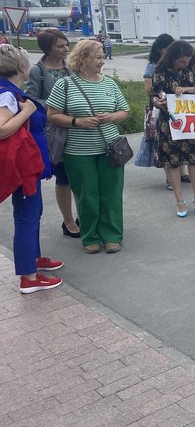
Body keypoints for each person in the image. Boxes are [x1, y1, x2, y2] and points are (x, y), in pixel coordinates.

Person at [46, 39, 129, 254]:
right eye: (98, 57)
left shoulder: (110, 83)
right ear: (83, 58)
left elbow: (124, 111)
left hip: (110, 148)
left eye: (102, 57)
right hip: (77, 152)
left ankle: (112, 235)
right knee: (86, 195)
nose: (102, 61)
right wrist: (77, 121)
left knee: (111, 194)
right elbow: (52, 115)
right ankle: (90, 236)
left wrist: (111, 116)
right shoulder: (64, 84)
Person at [0, 45, 64, 293]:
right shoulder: (7, 94)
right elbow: (2, 129)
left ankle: (33, 259)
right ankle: (29, 277)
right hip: (21, 166)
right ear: (21, 67)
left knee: (32, 213)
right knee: (27, 217)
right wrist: (27, 111)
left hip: (27, 164)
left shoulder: (11, 91)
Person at [25, 28, 79, 238]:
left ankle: (83, 215)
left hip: (76, 127)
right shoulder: (37, 71)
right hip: (55, 131)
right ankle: (67, 220)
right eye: (60, 46)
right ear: (48, 49)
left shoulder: (70, 67)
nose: (66, 49)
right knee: (64, 177)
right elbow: (31, 100)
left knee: (79, 175)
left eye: (66, 44)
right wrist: (57, 105)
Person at [151, 40, 195, 217]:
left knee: (194, 159)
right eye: (181, 61)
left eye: (187, 60)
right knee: (173, 161)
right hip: (168, 121)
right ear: (172, 58)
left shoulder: (192, 69)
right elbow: (154, 95)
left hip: (191, 121)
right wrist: (157, 101)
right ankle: (179, 200)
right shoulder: (160, 71)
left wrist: (185, 89)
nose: (185, 64)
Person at [134, 34, 190, 188]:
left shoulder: (175, 65)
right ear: (160, 49)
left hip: (177, 106)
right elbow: (149, 89)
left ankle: (182, 173)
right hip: (159, 108)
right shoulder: (152, 67)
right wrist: (164, 95)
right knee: (164, 144)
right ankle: (170, 178)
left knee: (180, 139)